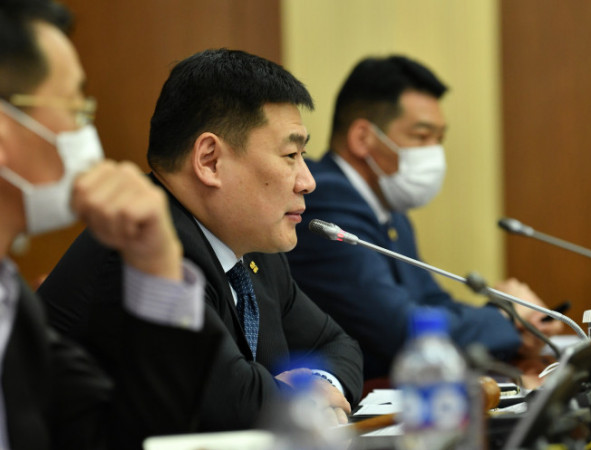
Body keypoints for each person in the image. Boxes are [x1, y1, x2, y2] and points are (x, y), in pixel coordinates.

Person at [38, 48, 364, 433]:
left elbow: (338, 345)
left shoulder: (253, 250)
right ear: (209, 160)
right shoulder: (141, 246)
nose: (307, 181)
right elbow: (227, 405)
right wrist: (298, 399)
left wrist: (319, 385)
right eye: (290, 154)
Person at [0, 1, 216, 448]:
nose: (87, 135)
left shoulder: (12, 303)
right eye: (75, 109)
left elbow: (135, 438)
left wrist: (158, 267)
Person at [287, 55, 562, 380]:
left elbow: (432, 302)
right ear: (362, 138)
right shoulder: (325, 199)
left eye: (439, 139)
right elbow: (401, 329)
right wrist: (508, 318)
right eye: (421, 136)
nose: (434, 152)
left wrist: (512, 318)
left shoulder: (389, 209)